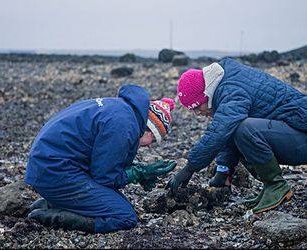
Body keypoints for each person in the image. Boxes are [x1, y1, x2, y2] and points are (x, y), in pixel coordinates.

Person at [24, 85, 177, 233]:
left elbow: (100, 155)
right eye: (155, 140)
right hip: (54, 172)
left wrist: (138, 169)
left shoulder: (120, 109)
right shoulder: (124, 126)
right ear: (151, 132)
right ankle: (52, 216)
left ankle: (52, 203)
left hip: (45, 166)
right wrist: (137, 173)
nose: (149, 146)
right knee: (124, 216)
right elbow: (104, 178)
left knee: (114, 203)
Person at [168, 58, 307, 214]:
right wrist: (223, 171)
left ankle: (276, 185)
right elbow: (227, 132)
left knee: (244, 128)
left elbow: (219, 132)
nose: (197, 113)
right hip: (291, 133)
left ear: (205, 94)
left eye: (197, 107)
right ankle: (270, 187)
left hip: (302, 135)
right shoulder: (224, 82)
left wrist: (189, 168)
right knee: (236, 127)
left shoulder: (230, 89)